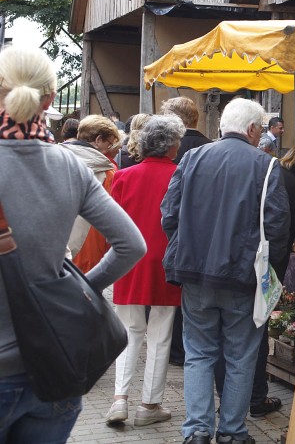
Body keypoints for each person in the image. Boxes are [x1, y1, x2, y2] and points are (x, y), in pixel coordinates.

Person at [0, 46, 145, 444]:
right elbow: (131, 245)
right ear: (50, 100)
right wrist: (83, 288)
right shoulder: (70, 165)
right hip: (56, 368)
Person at [161, 97, 290, 444]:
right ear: (252, 129)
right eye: (259, 130)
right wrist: (269, 272)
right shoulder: (266, 165)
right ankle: (232, 431)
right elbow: (277, 226)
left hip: (196, 272)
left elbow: (169, 214)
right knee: (240, 356)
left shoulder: (191, 158)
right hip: (242, 276)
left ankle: (198, 430)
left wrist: (188, 248)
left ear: (222, 126)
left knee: (198, 353)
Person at [222, 143, 295, 419]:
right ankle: (256, 398)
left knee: (232, 335)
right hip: (265, 268)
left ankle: (231, 399)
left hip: (236, 261)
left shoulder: (268, 174)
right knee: (257, 331)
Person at [105, 115, 185, 428]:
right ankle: (149, 403)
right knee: (160, 334)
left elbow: (111, 224)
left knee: (129, 331)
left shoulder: (123, 176)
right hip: (166, 260)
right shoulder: (180, 175)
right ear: (172, 146)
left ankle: (119, 398)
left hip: (129, 260)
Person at [160, 95, 213, 366]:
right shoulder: (210, 147)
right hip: (205, 235)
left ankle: (175, 349)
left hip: (174, 233)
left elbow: (170, 207)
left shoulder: (170, 150)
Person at [62, 113, 121, 270]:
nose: (111, 149)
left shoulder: (53, 159)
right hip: (90, 253)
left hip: (54, 250)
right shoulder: (107, 173)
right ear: (98, 140)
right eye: (110, 143)